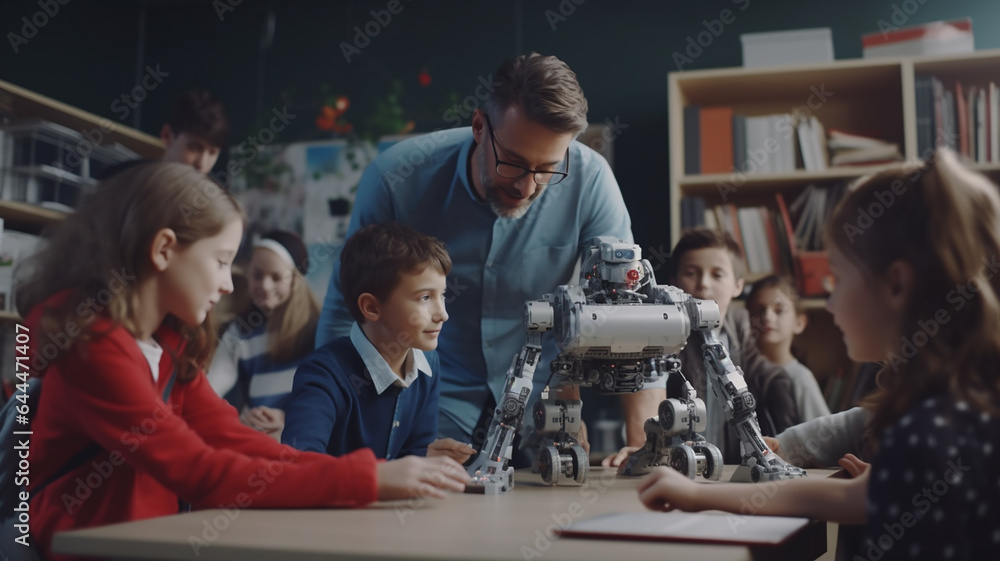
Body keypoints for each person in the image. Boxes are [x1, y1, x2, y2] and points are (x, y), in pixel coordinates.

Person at [18, 163, 469, 561]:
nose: (229, 286)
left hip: (147, 539)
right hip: (86, 549)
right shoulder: (93, 347)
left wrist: (373, 475)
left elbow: (238, 441)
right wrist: (369, 479)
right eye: (221, 262)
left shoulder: (168, 343)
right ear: (163, 250)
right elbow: (199, 470)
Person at [636, 150, 1000, 561]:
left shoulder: (925, 434)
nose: (828, 304)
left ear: (896, 285)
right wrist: (701, 497)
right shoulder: (957, 411)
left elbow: (850, 498)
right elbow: (847, 497)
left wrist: (700, 497)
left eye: (838, 279)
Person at [315, 53, 634, 456]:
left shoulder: (591, 180)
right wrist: (350, 441)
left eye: (547, 169)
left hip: (544, 402)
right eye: (513, 163)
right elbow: (347, 313)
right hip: (429, 398)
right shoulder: (396, 179)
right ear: (480, 127)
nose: (527, 187)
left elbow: (627, 308)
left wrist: (641, 443)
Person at [605, 228, 800, 466]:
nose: (703, 284)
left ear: (738, 286)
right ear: (674, 283)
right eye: (691, 273)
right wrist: (642, 451)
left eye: (717, 275)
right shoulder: (657, 349)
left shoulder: (766, 373)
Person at [283, 223, 475, 463]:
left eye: (442, 295)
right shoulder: (323, 374)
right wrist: (396, 470)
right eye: (425, 297)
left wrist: (424, 458)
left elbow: (410, 455)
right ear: (372, 307)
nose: (443, 314)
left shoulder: (428, 363)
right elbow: (299, 465)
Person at [206, 230, 319, 441]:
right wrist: (240, 421)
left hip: (302, 437)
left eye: (276, 277)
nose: (265, 286)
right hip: (256, 438)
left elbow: (327, 399)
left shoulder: (316, 328)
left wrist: (289, 419)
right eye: (257, 275)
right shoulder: (240, 330)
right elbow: (210, 389)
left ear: (295, 280)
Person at [747, 275, 830, 421]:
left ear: (799, 323)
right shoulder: (740, 373)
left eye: (779, 311)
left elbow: (823, 431)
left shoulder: (800, 378)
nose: (767, 316)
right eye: (758, 310)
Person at [96, 89, 229, 179]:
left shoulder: (216, 204)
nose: (202, 164)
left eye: (212, 153)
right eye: (194, 147)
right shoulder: (121, 178)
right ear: (167, 135)